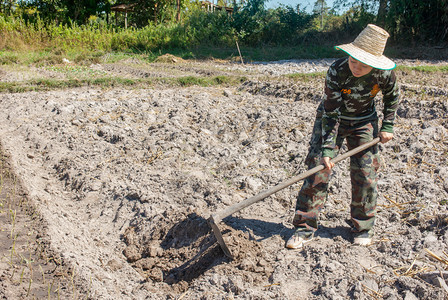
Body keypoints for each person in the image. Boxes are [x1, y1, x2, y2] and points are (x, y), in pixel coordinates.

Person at [286, 24, 400, 249]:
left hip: (364, 123)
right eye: (353, 60)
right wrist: (328, 150)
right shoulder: (337, 70)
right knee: (318, 169)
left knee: (365, 174)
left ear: (374, 64)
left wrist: (388, 125)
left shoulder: (385, 74)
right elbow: (331, 112)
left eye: (363, 64)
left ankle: (363, 227)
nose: (356, 67)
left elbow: (392, 97)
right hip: (332, 119)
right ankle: (303, 228)